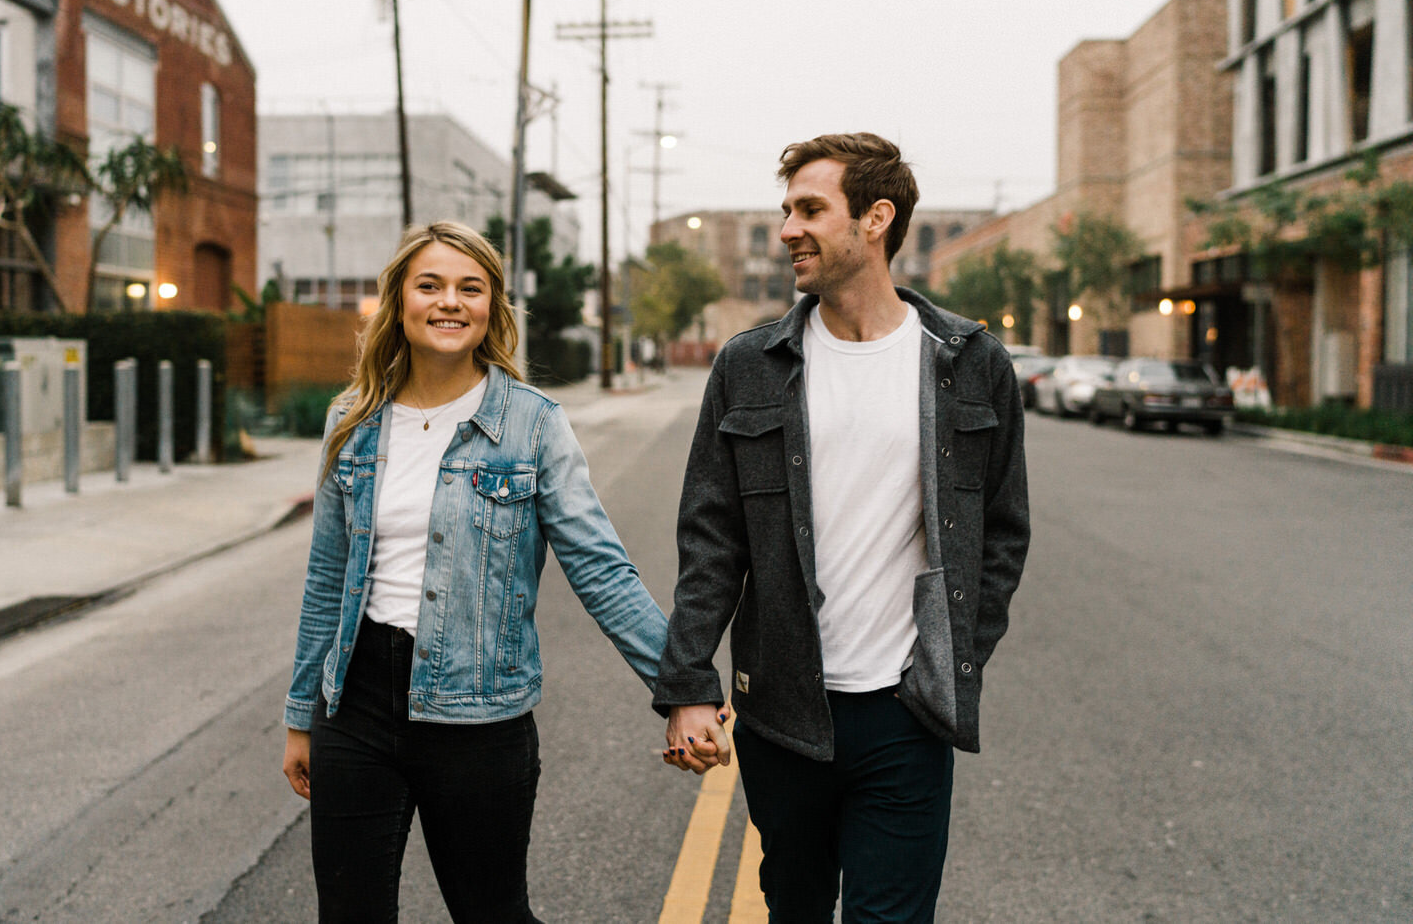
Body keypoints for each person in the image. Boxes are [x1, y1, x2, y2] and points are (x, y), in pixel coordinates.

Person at [654, 133, 1030, 922]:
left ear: (875, 219)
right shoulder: (750, 364)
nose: (789, 227)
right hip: (783, 710)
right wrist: (688, 682)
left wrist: (958, 649)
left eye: (809, 208)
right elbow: (712, 539)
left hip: (906, 711)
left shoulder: (968, 360)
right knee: (794, 907)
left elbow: (1001, 530)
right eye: (785, 209)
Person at [282, 221, 671, 923]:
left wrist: (682, 686)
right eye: (429, 285)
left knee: (493, 913)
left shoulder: (532, 424)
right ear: (399, 300)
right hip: (357, 703)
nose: (449, 302)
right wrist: (299, 716)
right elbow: (327, 575)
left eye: (470, 287)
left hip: (481, 714)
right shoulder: (353, 419)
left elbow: (601, 569)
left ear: (493, 305)